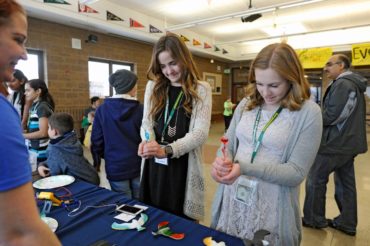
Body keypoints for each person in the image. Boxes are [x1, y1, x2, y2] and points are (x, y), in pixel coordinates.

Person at [210, 43, 323, 245]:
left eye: (274, 85)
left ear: (292, 80)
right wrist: (221, 161)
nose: (265, 92)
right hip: (235, 196)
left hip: (272, 205)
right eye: (259, 83)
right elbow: (228, 142)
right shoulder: (246, 104)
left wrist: (244, 167)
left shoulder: (308, 113)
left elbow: (296, 172)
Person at [0, 0, 60, 245]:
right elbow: (21, 233)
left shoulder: (41, 106)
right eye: (18, 39)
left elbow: (42, 131)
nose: (24, 53)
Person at [138, 33, 212, 220]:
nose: (168, 71)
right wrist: (148, 142)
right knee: (152, 218)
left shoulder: (201, 89)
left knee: (179, 222)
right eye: (163, 66)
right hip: (154, 165)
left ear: (184, 59)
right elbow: (146, 122)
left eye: (172, 63)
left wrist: (168, 150)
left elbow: (200, 133)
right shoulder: (153, 87)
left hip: (182, 167)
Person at [302, 54, 368, 236]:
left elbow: (332, 116)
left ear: (341, 66)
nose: (326, 68)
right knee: (345, 184)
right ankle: (347, 222)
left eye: (330, 64)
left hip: (335, 144)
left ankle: (314, 219)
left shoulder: (343, 84)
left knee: (315, 179)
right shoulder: (352, 84)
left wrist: (310, 116)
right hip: (348, 143)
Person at [91, 69, 143, 199]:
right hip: (138, 163)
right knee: (141, 202)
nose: (137, 87)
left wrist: (107, 155)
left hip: (115, 165)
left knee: (124, 205)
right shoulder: (141, 109)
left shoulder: (102, 110)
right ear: (130, 86)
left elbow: (96, 140)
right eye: (135, 84)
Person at [37, 112, 100, 185]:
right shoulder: (73, 140)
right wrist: (42, 165)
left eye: (48, 128)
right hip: (92, 178)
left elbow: (54, 176)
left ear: (54, 132)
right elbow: (62, 160)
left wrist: (42, 170)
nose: (47, 130)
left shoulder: (55, 149)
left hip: (83, 185)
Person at [23, 79, 55, 164]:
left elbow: (43, 133)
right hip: (35, 148)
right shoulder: (35, 106)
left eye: (28, 90)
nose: (25, 93)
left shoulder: (42, 107)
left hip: (42, 151)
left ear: (38, 91)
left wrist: (23, 136)